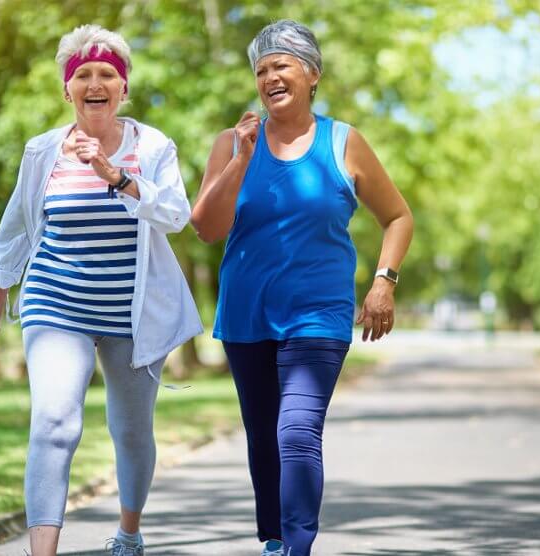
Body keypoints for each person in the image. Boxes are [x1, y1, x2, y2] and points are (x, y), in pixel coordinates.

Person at [0, 24, 202, 556]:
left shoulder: (153, 146)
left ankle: (129, 533)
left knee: (131, 431)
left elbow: (175, 215)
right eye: (83, 75)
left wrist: (114, 175)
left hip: (132, 311)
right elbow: (16, 230)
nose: (95, 83)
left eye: (107, 75)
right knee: (54, 423)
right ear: (66, 89)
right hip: (56, 302)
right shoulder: (42, 151)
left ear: (124, 88)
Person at [191, 19, 414, 556]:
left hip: (318, 315)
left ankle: (297, 547)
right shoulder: (232, 143)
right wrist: (242, 161)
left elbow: (398, 217)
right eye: (261, 70)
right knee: (264, 438)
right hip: (247, 315)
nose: (269, 77)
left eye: (281, 66)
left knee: (295, 432)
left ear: (312, 74)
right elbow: (206, 228)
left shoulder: (343, 142)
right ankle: (275, 541)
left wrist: (384, 283)